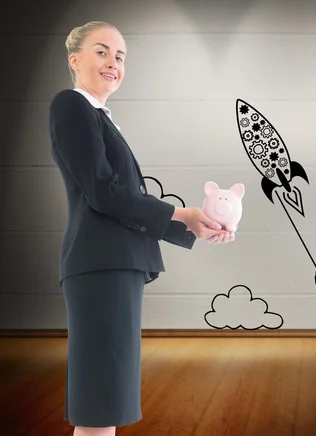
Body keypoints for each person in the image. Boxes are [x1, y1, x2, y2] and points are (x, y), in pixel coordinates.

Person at [49, 21, 234, 436]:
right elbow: (104, 192)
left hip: (113, 266)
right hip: (101, 266)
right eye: (102, 51)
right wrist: (182, 215)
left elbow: (114, 199)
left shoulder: (100, 118)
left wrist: (189, 224)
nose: (113, 62)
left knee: (107, 402)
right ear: (74, 59)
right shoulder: (72, 105)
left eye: (120, 56)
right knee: (100, 403)